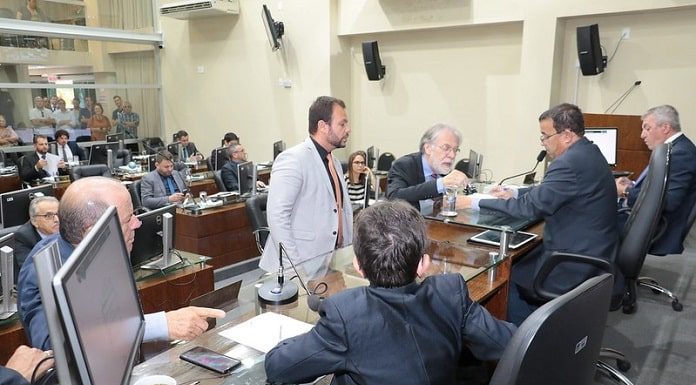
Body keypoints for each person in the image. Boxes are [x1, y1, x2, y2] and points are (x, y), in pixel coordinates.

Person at [265, 200, 516, 385]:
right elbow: (507, 342)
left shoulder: (345, 313)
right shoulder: (451, 291)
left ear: (358, 265)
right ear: (422, 264)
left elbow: (279, 367)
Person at [18, 177, 225, 350]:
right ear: (94, 233)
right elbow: (54, 347)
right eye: (129, 219)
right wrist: (158, 326)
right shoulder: (44, 269)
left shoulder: (104, 251)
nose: (138, 223)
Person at [458, 103, 619, 326]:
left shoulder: (568, 163)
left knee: (502, 276)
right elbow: (550, 190)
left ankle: (528, 340)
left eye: (545, 136)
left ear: (566, 136)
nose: (542, 142)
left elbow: (528, 208)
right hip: (594, 249)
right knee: (519, 258)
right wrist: (513, 191)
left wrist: (474, 202)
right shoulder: (588, 151)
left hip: (574, 261)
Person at [259, 96, 353, 274]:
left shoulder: (334, 162)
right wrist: (294, 267)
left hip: (331, 262)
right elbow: (277, 217)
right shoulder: (293, 159)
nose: (348, 130)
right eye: (342, 124)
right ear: (323, 126)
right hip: (300, 266)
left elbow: (338, 209)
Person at [616, 105, 696, 255]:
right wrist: (632, 185)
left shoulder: (680, 154)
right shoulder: (673, 149)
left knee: (591, 223)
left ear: (665, 127)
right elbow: (659, 189)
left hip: (655, 230)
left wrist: (626, 191)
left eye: (647, 128)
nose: (642, 135)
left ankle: (598, 273)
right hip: (649, 222)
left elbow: (667, 201)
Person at [387, 123, 469, 212]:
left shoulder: (442, 169)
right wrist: (441, 184)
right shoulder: (405, 165)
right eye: (446, 148)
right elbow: (393, 197)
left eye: (455, 149)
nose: (452, 155)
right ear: (428, 148)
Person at [13, 196, 59, 281]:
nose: (56, 219)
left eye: (58, 213)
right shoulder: (23, 237)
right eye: (48, 216)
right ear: (34, 221)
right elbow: (31, 273)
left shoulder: (66, 226)